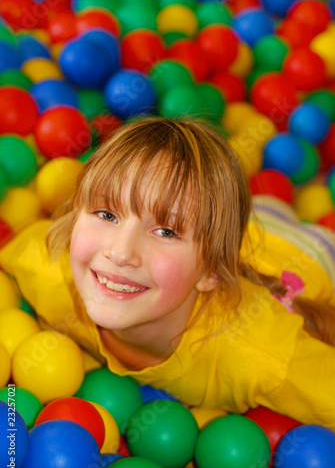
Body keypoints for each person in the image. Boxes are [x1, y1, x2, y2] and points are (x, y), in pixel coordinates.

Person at [1, 117, 335, 429]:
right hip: (240, 228)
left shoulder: (259, 353)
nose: (120, 253)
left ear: (211, 273)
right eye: (106, 214)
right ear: (73, 220)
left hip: (309, 252)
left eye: (166, 232)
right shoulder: (46, 268)